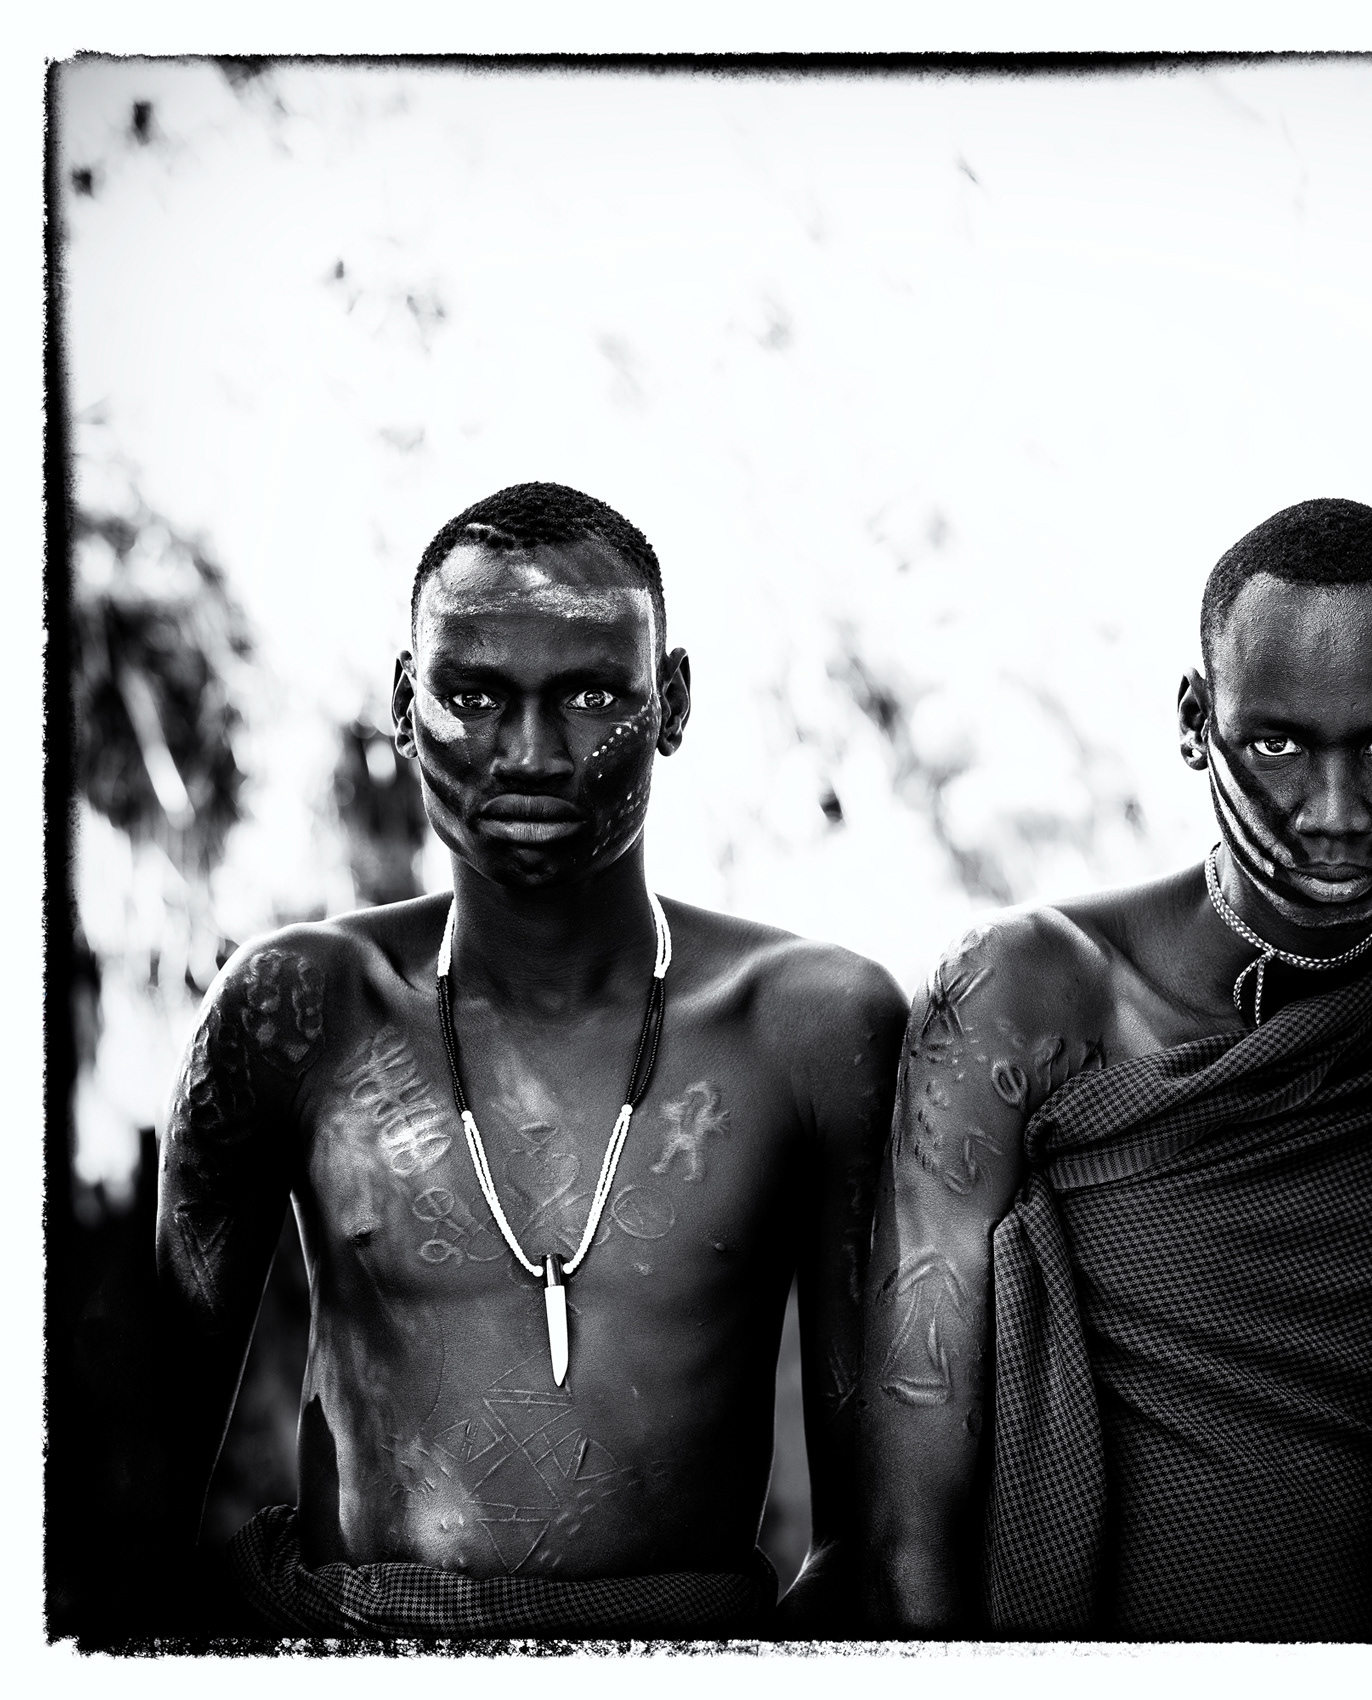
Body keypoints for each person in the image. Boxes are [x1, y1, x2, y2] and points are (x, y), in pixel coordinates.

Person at [859, 498, 1372, 1645]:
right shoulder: (1022, 997)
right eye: (1275, 743)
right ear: (1194, 718)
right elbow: (905, 1515)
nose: (1334, 812)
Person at [156, 481, 907, 1639]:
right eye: (475, 696)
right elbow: (121, 1502)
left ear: (671, 702)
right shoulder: (298, 1009)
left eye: (590, 695)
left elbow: (875, 1537)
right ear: (407, 704)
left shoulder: (808, 1026)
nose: (529, 751)